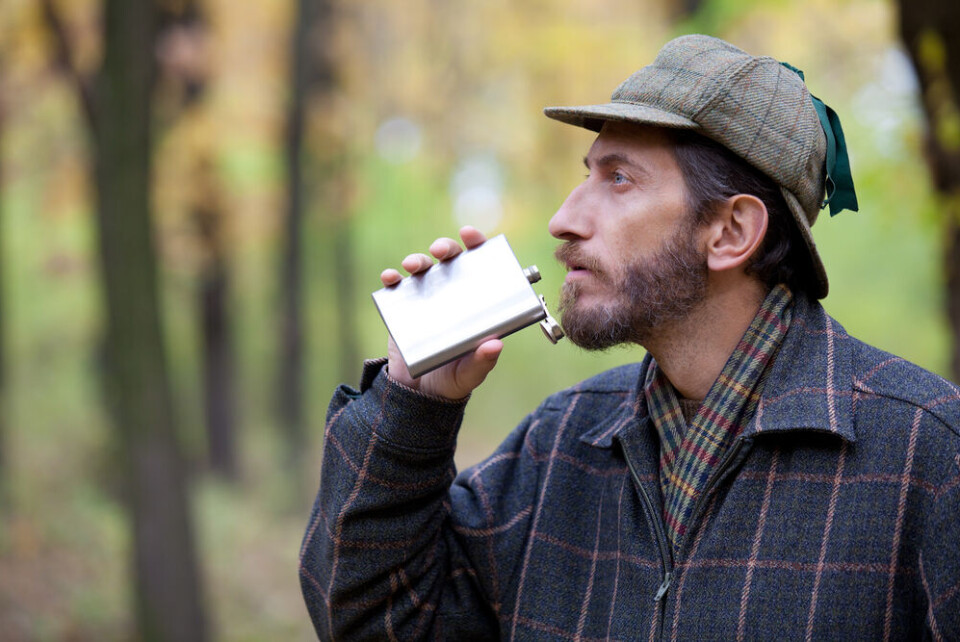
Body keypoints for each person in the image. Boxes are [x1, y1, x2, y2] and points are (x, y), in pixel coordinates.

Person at [299, 34, 960, 641]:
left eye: (618, 179)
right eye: (587, 173)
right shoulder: (558, 445)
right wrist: (412, 404)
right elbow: (372, 625)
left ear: (731, 233)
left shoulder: (925, 455)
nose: (564, 219)